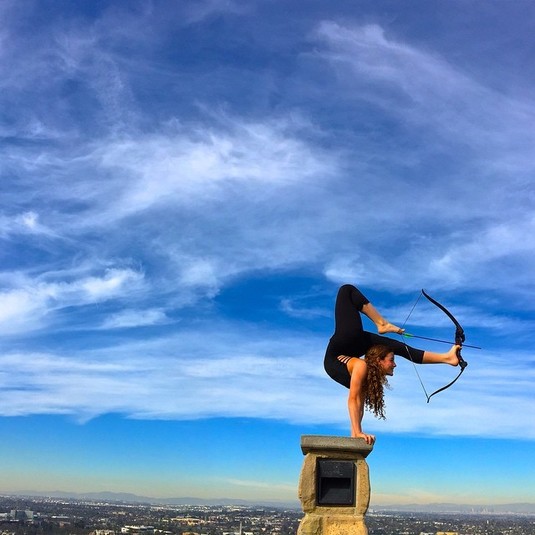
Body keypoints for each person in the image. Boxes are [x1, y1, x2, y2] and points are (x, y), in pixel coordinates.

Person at [324, 284, 461, 444]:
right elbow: (353, 399)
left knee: (400, 347)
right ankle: (382, 323)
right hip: (337, 354)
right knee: (346, 290)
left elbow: (358, 400)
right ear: (379, 361)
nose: (395, 365)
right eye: (391, 360)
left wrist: (356, 434)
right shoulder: (361, 366)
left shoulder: (362, 370)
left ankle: (447, 358)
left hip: (348, 348)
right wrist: (358, 432)